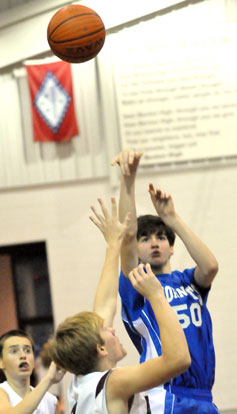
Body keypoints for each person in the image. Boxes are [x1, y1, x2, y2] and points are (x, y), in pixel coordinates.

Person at [49, 197, 190, 414]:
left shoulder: (79, 385)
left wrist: (113, 245)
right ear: (101, 349)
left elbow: (105, 304)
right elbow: (179, 359)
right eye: (106, 330)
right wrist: (157, 297)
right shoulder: (115, 382)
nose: (112, 328)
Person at [111, 149, 219, 414]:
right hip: (164, 393)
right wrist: (128, 180)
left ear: (172, 248)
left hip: (203, 395)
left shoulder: (187, 281)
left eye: (161, 237)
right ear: (137, 250)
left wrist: (173, 220)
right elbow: (126, 238)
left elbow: (211, 266)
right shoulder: (138, 282)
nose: (155, 242)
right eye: (145, 238)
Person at [0, 329, 65, 414]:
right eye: (14, 351)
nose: (23, 355)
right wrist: (48, 379)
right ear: (1, 362)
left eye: (27, 350)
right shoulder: (2, 393)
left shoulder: (51, 401)